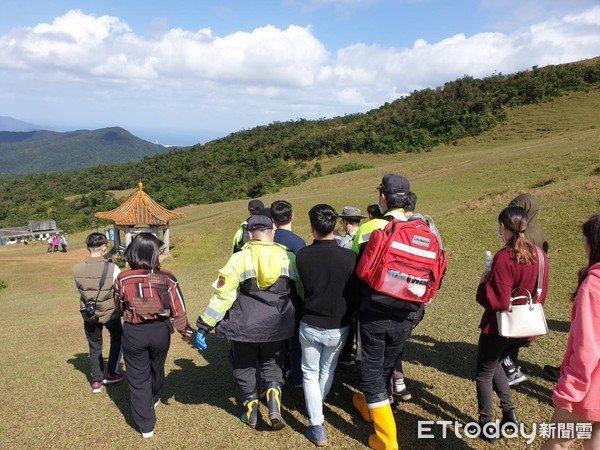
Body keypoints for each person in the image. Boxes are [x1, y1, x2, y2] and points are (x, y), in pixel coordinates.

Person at [196, 215, 302, 431]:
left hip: (243, 327)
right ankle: (273, 395)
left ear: (250, 234)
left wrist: (205, 325)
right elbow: (300, 290)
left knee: (243, 365)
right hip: (278, 326)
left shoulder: (238, 259)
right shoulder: (288, 257)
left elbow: (223, 297)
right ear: (272, 231)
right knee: (273, 364)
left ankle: (251, 407)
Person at [473, 206, 549, 442]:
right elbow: (541, 293)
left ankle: (487, 424)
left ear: (503, 227)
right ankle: (509, 414)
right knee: (495, 363)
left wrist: (484, 282)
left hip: (500, 326)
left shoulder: (504, 256)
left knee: (484, 373)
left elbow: (497, 301)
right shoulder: (540, 255)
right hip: (527, 326)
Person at [351, 173, 415, 450]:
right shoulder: (420, 228)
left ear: (383, 198)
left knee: (371, 372)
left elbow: (355, 267)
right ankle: (370, 404)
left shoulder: (370, 229)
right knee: (388, 364)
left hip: (375, 311)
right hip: (408, 312)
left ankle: (387, 440)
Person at [113, 233, 193, 439]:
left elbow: (119, 305)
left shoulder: (122, 278)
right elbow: (178, 308)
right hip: (159, 330)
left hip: (134, 332)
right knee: (157, 366)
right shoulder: (166, 277)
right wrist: (186, 331)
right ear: (153, 254)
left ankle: (146, 425)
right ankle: (155, 395)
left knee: (138, 377)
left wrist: (132, 310)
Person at [296, 204, 358, 446]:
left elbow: (302, 289)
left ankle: (316, 423)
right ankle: (316, 407)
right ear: (336, 225)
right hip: (338, 326)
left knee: (309, 373)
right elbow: (352, 293)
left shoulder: (302, 256)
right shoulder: (349, 257)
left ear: (312, 228)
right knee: (326, 371)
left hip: (310, 322)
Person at [541, 212, 600, 449]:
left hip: (589, 386)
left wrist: (569, 390)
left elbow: (588, 347)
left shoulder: (594, 287)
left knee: (557, 442)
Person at [502, 193, 551, 385]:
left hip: (520, 287)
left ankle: (509, 367)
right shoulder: (538, 232)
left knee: (511, 327)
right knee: (519, 328)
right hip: (534, 287)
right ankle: (511, 364)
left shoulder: (523, 235)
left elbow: (516, 263)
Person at [74, 233, 123, 394]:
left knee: (95, 346)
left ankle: (96, 381)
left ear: (88, 247)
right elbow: (118, 289)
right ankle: (112, 373)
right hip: (110, 312)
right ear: (104, 247)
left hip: (90, 314)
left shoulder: (77, 268)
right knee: (117, 339)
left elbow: (78, 290)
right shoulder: (113, 268)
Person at [271, 199, 306, 388]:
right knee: (295, 341)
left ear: (272, 219)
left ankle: (277, 373)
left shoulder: (267, 240)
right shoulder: (298, 242)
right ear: (292, 215)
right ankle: (297, 376)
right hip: (293, 299)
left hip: (270, 298)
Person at [336, 206, 366, 368]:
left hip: (349, 288)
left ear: (345, 221)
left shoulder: (346, 241)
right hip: (365, 287)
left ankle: (347, 353)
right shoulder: (366, 236)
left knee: (348, 319)